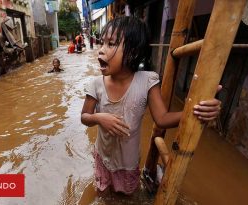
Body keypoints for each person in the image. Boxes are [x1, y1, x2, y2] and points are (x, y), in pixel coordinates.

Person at [81, 16, 221, 195]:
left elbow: (162, 119)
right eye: (102, 43)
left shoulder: (147, 81)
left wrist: (194, 110)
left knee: (127, 196)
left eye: (110, 44)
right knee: (102, 193)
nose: (100, 50)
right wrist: (99, 118)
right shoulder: (95, 84)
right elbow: (85, 117)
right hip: (103, 156)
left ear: (132, 52)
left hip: (128, 162)